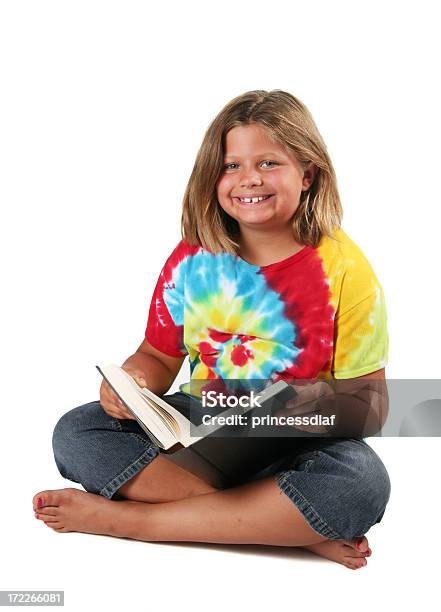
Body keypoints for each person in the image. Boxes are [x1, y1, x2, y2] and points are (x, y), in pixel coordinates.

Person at [33, 90, 391, 570]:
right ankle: (281, 527)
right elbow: (158, 359)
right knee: (78, 430)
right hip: (202, 423)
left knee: (361, 483)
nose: (249, 180)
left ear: (307, 174)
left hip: (299, 437)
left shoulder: (345, 269)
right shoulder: (193, 258)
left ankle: (136, 522)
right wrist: (132, 383)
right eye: (231, 166)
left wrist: (295, 410)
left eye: (268, 163)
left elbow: (371, 406)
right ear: (212, 176)